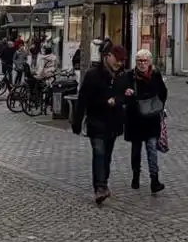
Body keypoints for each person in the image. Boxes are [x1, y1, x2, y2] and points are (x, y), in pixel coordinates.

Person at [72, 43, 134, 204]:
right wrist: (77, 121)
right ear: (107, 56)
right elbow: (83, 99)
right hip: (96, 120)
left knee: (106, 155)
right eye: (117, 59)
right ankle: (100, 187)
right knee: (99, 152)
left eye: (122, 61)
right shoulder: (93, 75)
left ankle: (103, 181)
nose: (119, 63)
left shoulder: (123, 76)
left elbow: (127, 95)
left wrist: (122, 98)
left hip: (113, 122)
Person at [127, 48, 168, 193]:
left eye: (145, 60)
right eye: (139, 60)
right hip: (136, 119)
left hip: (151, 118)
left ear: (150, 62)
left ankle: (154, 180)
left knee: (152, 148)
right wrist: (128, 94)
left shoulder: (155, 75)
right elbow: (122, 92)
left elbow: (163, 92)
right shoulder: (130, 76)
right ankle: (136, 176)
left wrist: (157, 106)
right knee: (136, 150)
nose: (142, 63)